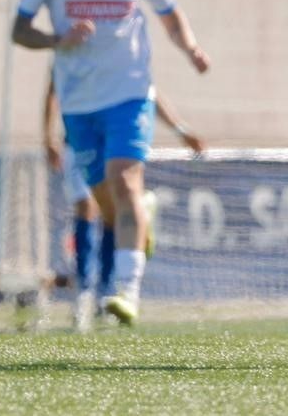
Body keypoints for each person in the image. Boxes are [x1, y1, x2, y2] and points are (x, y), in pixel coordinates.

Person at [13, 0, 211, 326]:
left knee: (123, 183)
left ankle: (125, 291)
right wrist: (57, 38)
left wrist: (191, 48)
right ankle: (144, 217)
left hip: (130, 94)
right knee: (106, 203)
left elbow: (170, 14)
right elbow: (19, 30)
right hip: (79, 102)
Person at [43, 69, 205, 330]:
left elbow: (147, 92)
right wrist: (48, 135)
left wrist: (181, 129)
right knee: (86, 207)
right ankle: (84, 289)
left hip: (114, 141)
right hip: (77, 141)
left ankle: (105, 291)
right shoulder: (72, 40)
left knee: (113, 213)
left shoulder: (124, 50)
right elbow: (53, 89)